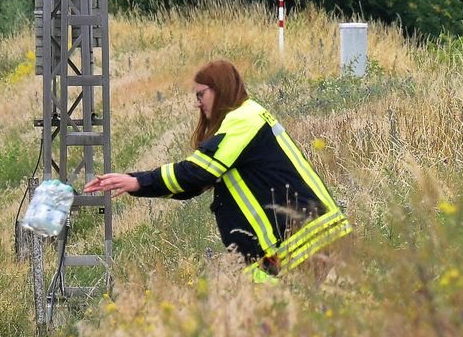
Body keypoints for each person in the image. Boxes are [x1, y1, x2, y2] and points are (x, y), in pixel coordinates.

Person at [81, 59, 352, 274]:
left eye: (201, 94)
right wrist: (135, 183)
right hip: (298, 247)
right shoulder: (247, 118)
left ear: (219, 89)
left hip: (306, 245)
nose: (198, 103)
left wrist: (138, 181)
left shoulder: (244, 119)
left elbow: (198, 172)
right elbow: (195, 184)